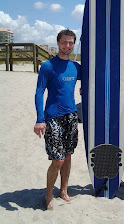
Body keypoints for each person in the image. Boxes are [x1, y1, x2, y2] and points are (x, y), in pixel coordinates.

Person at [34, 29, 81, 210]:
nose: (67, 46)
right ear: (58, 43)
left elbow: (92, 78)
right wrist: (40, 119)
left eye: (70, 43)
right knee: (58, 159)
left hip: (71, 115)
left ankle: (63, 190)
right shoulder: (48, 66)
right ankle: (48, 195)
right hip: (53, 116)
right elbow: (39, 93)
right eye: (64, 42)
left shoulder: (76, 67)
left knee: (68, 156)